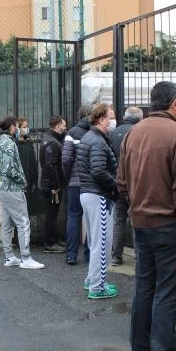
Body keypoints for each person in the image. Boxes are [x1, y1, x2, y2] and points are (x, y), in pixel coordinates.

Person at [118, 81, 176, 351]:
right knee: (168, 291)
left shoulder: (133, 133)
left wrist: (136, 205)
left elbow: (122, 181)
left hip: (141, 222)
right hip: (170, 226)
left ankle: (141, 346)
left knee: (146, 285)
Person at [0, 116, 44, 270]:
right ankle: (26, 258)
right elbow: (8, 168)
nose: (22, 129)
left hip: (2, 188)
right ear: (13, 127)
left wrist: (5, 178)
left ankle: (9, 257)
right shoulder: (9, 142)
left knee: (7, 225)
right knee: (23, 223)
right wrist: (22, 180)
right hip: (13, 189)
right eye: (19, 126)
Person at [77, 103, 118, 299]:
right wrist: (116, 185)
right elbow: (99, 171)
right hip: (98, 195)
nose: (113, 121)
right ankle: (97, 286)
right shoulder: (98, 141)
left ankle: (91, 280)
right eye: (111, 117)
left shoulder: (89, 137)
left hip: (88, 193)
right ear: (101, 119)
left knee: (95, 241)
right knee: (101, 244)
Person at [108, 106, 143, 265]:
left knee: (118, 219)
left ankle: (116, 256)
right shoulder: (139, 132)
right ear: (140, 118)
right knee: (136, 219)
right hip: (135, 182)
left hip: (117, 180)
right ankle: (138, 255)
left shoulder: (114, 132)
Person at [61, 105, 92, 265]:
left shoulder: (71, 133)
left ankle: (71, 254)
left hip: (75, 183)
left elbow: (66, 159)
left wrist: (68, 177)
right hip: (92, 184)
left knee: (73, 216)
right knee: (91, 220)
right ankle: (89, 254)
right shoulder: (96, 132)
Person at [40, 115, 67, 253]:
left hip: (49, 183)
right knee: (51, 214)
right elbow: (50, 166)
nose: (65, 128)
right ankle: (49, 243)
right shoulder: (52, 143)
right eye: (63, 125)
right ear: (57, 126)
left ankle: (54, 239)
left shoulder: (50, 140)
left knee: (53, 213)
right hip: (51, 185)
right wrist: (55, 186)